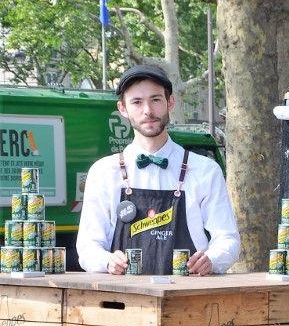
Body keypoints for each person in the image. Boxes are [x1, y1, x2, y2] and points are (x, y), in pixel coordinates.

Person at [77, 64, 240, 275]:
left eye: (155, 99)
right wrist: (106, 260)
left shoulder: (205, 170)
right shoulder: (103, 172)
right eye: (137, 102)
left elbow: (228, 238)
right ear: (122, 109)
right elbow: (88, 247)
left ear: (170, 102)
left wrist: (212, 259)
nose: (148, 111)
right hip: (126, 300)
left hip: (190, 298)